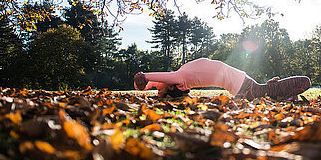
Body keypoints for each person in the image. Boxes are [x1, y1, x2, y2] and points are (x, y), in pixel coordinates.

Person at [133, 58, 311, 100]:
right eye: (158, 89)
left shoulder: (179, 77)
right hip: (243, 86)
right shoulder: (181, 80)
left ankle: (282, 95)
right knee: (268, 92)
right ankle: (281, 94)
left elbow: (152, 83)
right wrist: (145, 78)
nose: (157, 87)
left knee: (268, 91)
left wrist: (144, 80)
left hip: (243, 83)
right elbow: (154, 81)